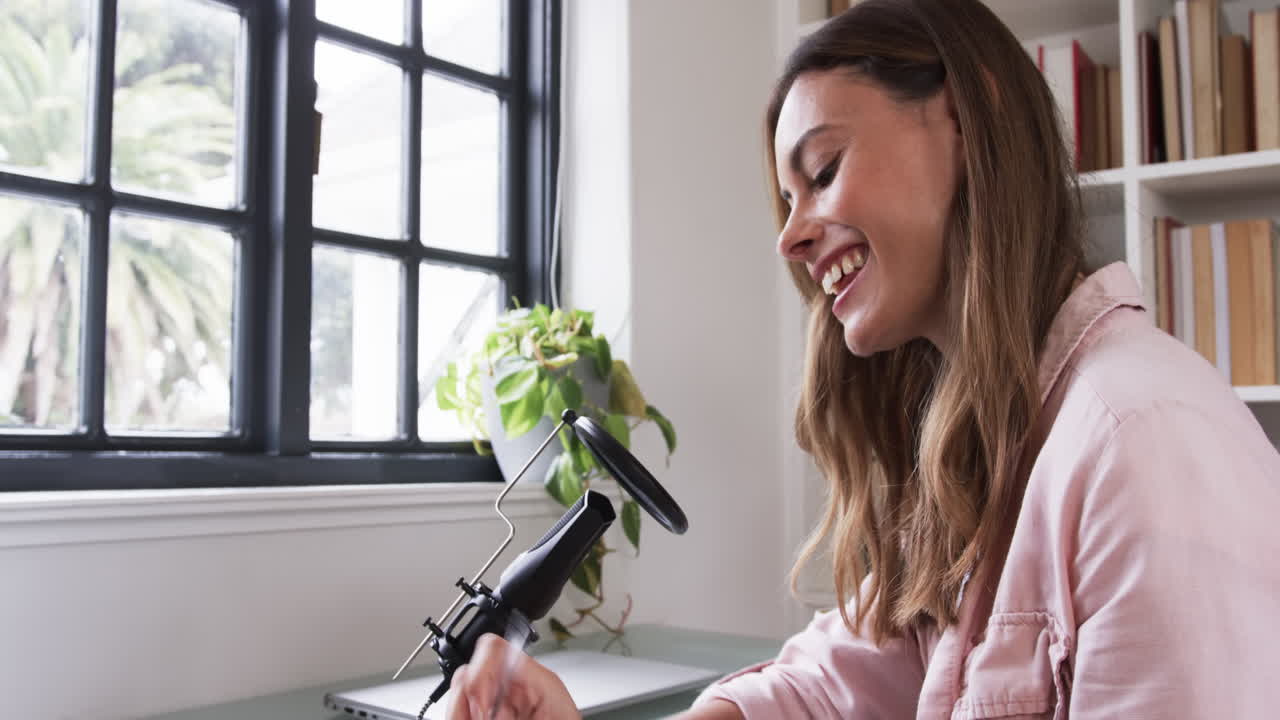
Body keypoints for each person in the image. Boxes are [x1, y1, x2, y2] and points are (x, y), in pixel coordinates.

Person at [445, 0, 1280, 717]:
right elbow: (843, 676)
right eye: (786, 199)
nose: (790, 234)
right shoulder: (984, 454)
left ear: (968, 115)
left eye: (824, 170)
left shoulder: (1142, 444)